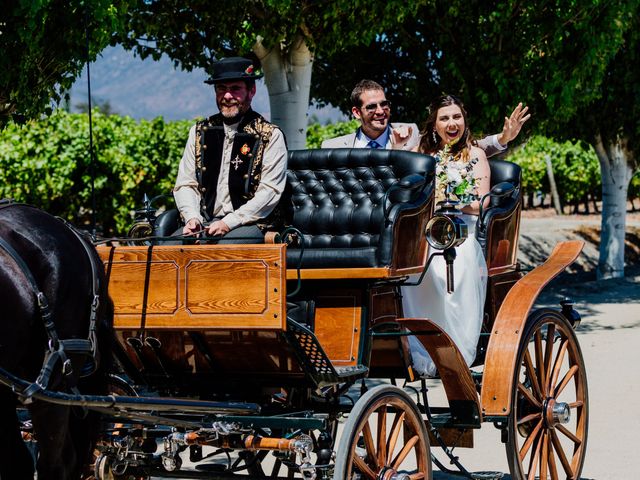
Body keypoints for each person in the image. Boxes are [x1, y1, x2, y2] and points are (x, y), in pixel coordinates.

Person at [403, 94, 494, 377]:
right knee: (411, 267)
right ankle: (420, 346)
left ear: (464, 122)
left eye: (457, 117)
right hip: (429, 232)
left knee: (459, 260)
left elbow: (482, 202)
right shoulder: (423, 155)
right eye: (444, 118)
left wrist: (454, 200)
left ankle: (457, 347)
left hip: (461, 231)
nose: (451, 123)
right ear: (434, 125)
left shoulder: (475, 155)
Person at [173, 57, 288, 244]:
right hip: (205, 222)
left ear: (252, 91)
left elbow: (269, 192)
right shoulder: (199, 132)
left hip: (252, 224)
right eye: (221, 89)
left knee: (222, 252)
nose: (227, 96)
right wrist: (192, 218)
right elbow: (186, 184)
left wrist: (228, 223)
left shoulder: (270, 135)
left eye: (235, 89)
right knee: (166, 249)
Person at [321, 79, 530, 156]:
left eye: (384, 104)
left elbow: (459, 146)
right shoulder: (333, 146)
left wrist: (503, 138)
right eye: (372, 107)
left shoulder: (410, 135)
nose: (380, 111)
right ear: (356, 112)